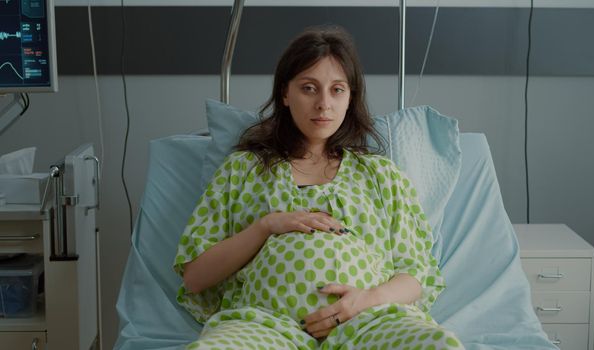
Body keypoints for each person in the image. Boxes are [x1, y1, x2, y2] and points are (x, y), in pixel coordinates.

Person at [174, 25, 464, 350]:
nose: (324, 104)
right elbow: (195, 277)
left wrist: (366, 300)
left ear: (351, 96)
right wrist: (266, 226)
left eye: (337, 90)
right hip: (264, 324)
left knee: (439, 345)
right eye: (309, 88)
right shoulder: (242, 170)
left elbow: (416, 274)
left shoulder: (381, 175)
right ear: (285, 93)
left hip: (369, 321)